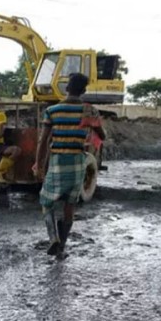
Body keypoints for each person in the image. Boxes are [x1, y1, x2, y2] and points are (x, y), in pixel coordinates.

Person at [33, 73, 106, 256]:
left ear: (67, 88)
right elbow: (102, 136)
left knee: (46, 200)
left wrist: (38, 164)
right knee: (69, 205)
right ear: (83, 90)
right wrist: (92, 124)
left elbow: (43, 141)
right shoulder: (89, 110)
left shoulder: (53, 110)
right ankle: (62, 248)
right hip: (77, 163)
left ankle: (53, 238)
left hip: (58, 161)